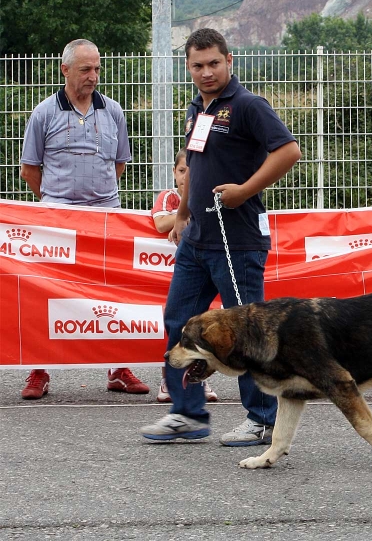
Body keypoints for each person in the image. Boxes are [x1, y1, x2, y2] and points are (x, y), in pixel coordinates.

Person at [141, 28, 301, 445]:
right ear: (188, 68)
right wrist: (181, 214)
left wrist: (245, 191)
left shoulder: (249, 105)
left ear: (230, 60)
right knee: (180, 322)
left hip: (238, 239)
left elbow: (289, 151)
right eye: (197, 65)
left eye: (214, 63)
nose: (206, 72)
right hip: (197, 239)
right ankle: (188, 414)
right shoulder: (197, 108)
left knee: (246, 330)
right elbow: (194, 166)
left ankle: (262, 419)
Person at [19, 38, 149, 399]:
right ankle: (38, 370)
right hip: (57, 223)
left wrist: (97, 202)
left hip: (104, 221)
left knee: (111, 294)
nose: (93, 76)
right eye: (85, 69)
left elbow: (118, 163)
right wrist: (57, 203)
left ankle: (118, 368)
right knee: (44, 295)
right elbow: (29, 169)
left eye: (96, 68)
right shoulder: (44, 112)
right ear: (65, 70)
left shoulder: (114, 112)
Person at [151, 147, 218, 403]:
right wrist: (184, 217)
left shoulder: (207, 193)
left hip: (196, 262)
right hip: (162, 271)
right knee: (174, 321)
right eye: (181, 172)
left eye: (190, 173)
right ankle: (170, 382)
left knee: (197, 322)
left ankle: (198, 378)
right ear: (174, 172)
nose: (185, 178)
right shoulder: (167, 197)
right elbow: (160, 223)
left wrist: (184, 218)